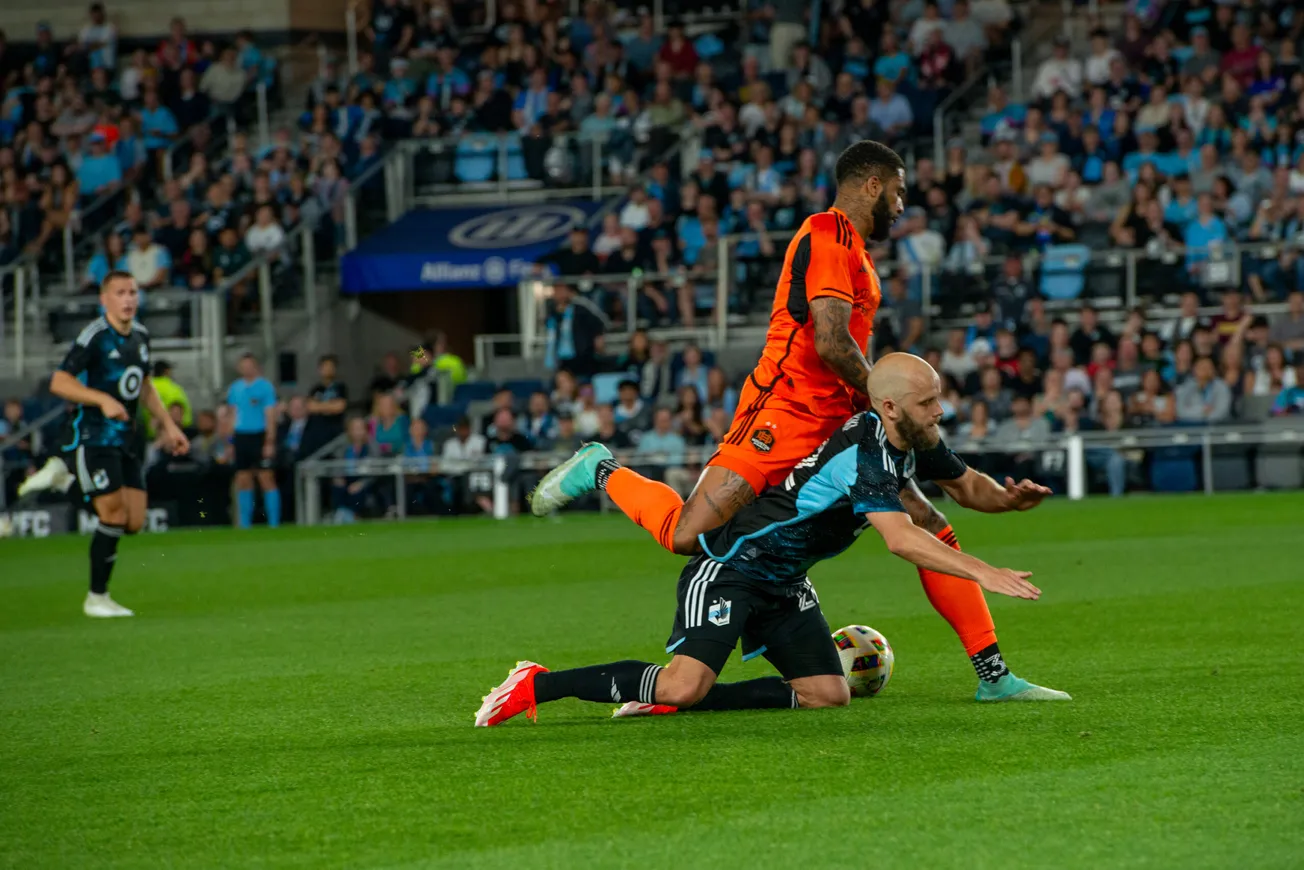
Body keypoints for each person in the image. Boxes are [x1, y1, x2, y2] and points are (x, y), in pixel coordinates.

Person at [530, 142, 1061, 699]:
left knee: (927, 524)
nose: (904, 205)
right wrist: (884, 396)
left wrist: (1003, 496)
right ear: (872, 186)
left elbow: (953, 471)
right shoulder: (827, 236)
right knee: (688, 535)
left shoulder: (858, 250)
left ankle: (993, 675)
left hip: (840, 414)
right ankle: (602, 469)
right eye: (900, 191)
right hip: (782, 411)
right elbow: (831, 343)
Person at [476, 354, 1065, 727]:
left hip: (784, 581)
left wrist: (1008, 499)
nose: (942, 410)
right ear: (890, 405)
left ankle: (673, 699)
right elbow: (902, 540)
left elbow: (966, 486)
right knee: (684, 674)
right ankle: (536, 684)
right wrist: (983, 571)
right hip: (733, 567)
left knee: (828, 694)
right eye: (929, 401)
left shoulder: (909, 433)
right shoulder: (867, 453)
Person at [48, 271, 190, 617]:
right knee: (111, 512)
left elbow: (144, 386)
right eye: (120, 293)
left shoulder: (140, 335)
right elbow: (59, 381)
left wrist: (170, 427)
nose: (128, 299)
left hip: (127, 438)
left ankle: (64, 483)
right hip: (94, 435)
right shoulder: (94, 336)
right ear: (104, 299)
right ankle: (97, 597)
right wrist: (101, 399)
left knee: (133, 522)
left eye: (132, 293)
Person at [225, 353, 281, 528]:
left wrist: (269, 441)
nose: (247, 368)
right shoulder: (235, 388)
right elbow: (232, 415)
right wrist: (230, 441)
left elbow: (270, 414)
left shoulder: (265, 387)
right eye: (244, 365)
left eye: (250, 365)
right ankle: (245, 524)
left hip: (259, 434)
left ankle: (273, 523)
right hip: (241, 436)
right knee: (243, 479)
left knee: (266, 477)